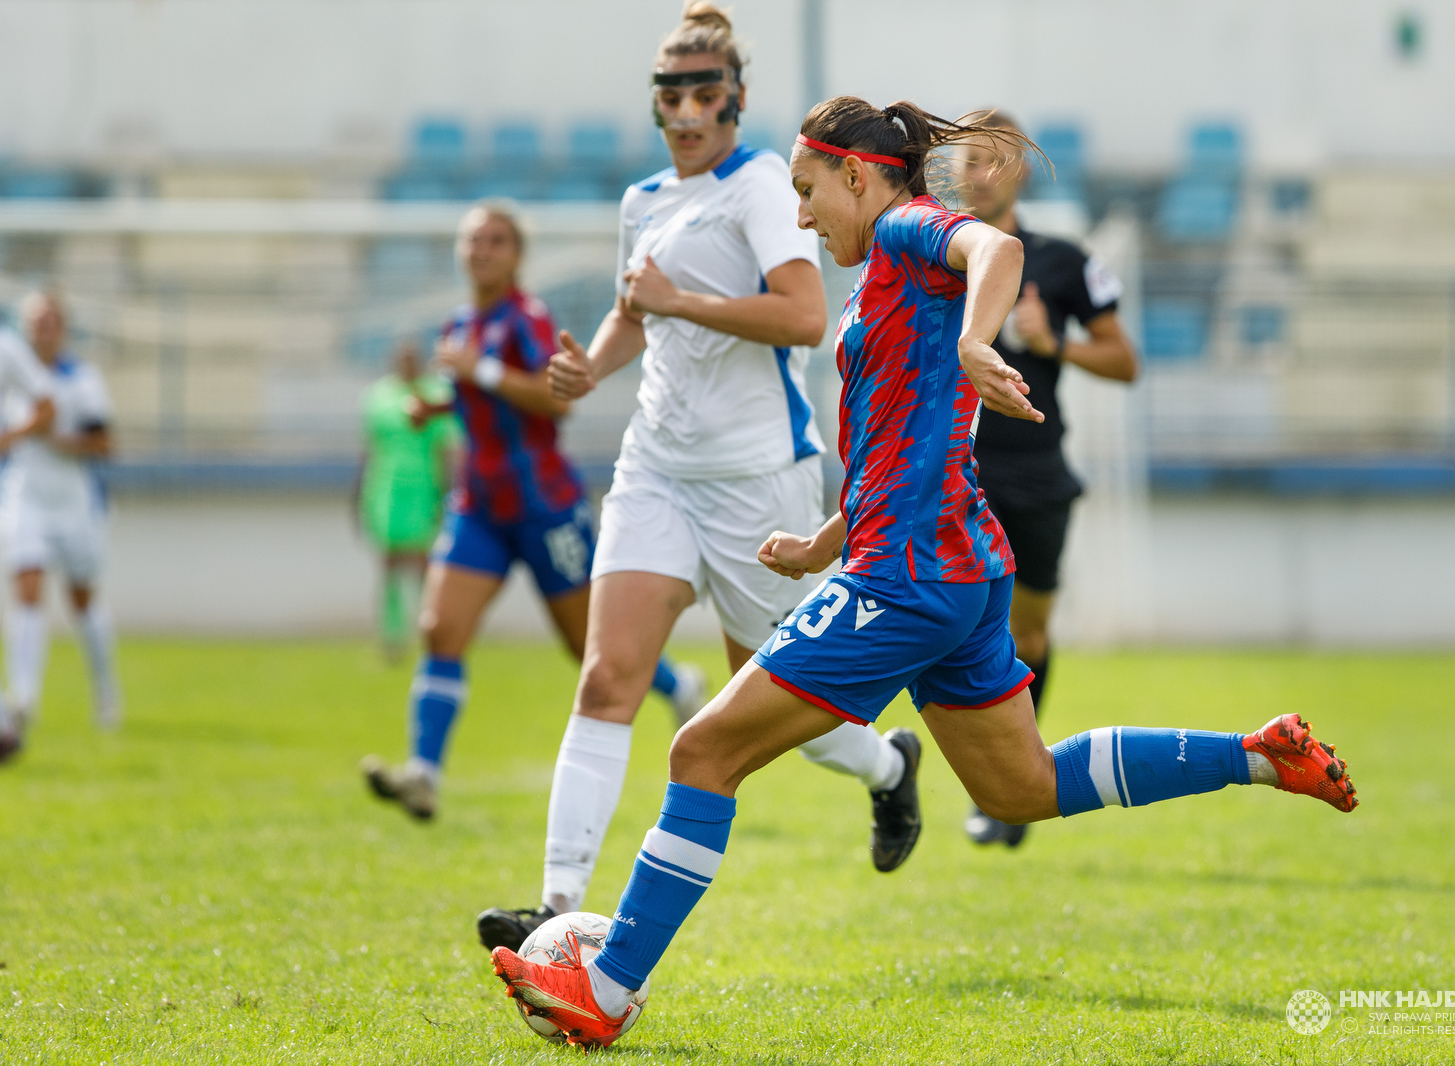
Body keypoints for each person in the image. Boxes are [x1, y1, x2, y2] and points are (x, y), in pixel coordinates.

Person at [485, 97, 1358, 1048]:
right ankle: (1261, 755)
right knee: (1020, 789)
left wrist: (983, 341)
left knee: (702, 752)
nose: (806, 218)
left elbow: (999, 252)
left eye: (810, 193)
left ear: (858, 176)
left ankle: (606, 989)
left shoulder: (903, 229)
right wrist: (823, 544)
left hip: (907, 576)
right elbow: (899, 447)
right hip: (952, 563)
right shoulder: (879, 284)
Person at [473, 4, 921, 955]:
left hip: (759, 481)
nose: (685, 108)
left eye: (703, 91)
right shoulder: (642, 200)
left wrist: (682, 301)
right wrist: (591, 365)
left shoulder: (765, 187)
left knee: (772, 704)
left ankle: (889, 769)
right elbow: (640, 311)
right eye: (668, 91)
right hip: (657, 469)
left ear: (736, 100)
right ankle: (554, 910)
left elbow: (803, 315)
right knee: (606, 677)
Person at [360, 202, 704, 821]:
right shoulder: (460, 324)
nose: (482, 250)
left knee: (587, 647)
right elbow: (476, 397)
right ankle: (424, 773)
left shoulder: (528, 320)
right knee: (440, 629)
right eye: (473, 241)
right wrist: (438, 407)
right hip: (482, 508)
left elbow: (555, 400)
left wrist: (482, 371)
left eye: (496, 241)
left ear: (517, 255)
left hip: (544, 507)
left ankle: (679, 685)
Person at [957, 111, 1140, 849]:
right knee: (963, 632)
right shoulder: (939, 255)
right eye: (967, 160)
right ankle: (985, 787)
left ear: (1022, 170)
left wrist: (1048, 343)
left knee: (1025, 635)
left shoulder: (1063, 260)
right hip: (957, 473)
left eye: (992, 160)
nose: (977, 173)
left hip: (1035, 475)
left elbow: (1124, 361)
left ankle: (1014, 790)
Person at [0, 290, 117, 750]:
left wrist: (55, 442)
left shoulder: (82, 379)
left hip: (73, 502)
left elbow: (104, 442)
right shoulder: (14, 370)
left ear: (63, 327)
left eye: (50, 321)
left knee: (82, 600)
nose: (42, 329)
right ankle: (24, 698)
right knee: (28, 588)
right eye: (35, 321)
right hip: (26, 499)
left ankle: (106, 690)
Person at [355, 340, 461, 663]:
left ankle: (429, 634)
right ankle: (391, 639)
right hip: (386, 489)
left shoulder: (436, 396)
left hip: (423, 489)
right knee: (388, 565)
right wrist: (359, 494)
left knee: (425, 567)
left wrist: (445, 495)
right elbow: (370, 449)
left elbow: (446, 449)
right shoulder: (378, 398)